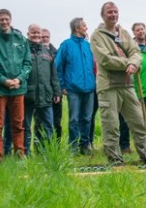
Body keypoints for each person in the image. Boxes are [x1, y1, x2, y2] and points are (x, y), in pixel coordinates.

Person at [90, 1, 146, 165]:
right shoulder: (97, 36)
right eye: (109, 12)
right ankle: (115, 160)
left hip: (127, 85)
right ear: (103, 15)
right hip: (108, 86)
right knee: (111, 125)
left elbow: (136, 52)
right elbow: (104, 59)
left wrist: (134, 63)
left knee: (139, 122)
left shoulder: (123, 33)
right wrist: (128, 63)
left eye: (115, 12)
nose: (113, 15)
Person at [0, 9, 32, 161]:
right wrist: (4, 80)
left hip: (18, 89)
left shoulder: (21, 39)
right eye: (1, 19)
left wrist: (19, 79)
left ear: (10, 20)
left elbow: (27, 63)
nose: (4, 22)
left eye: (6, 19)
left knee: (18, 124)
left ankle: (19, 153)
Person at [56, 17, 96, 155]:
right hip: (73, 89)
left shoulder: (88, 45)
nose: (86, 28)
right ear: (77, 28)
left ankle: (85, 145)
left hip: (89, 88)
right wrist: (62, 86)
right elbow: (57, 65)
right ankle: (73, 146)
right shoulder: (66, 45)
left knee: (87, 118)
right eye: (84, 26)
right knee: (74, 119)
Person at [25, 24, 61, 153]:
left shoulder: (47, 52)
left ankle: (49, 153)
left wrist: (57, 91)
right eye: (33, 33)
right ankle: (26, 153)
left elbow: (54, 74)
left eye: (38, 33)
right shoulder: (23, 50)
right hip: (28, 95)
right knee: (26, 126)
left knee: (48, 126)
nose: (36, 35)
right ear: (28, 34)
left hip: (46, 94)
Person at [41, 28, 63, 141]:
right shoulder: (37, 53)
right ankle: (41, 146)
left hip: (56, 91)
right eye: (42, 36)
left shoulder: (56, 52)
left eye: (46, 37)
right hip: (42, 92)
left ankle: (57, 146)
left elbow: (59, 73)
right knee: (41, 122)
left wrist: (59, 91)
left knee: (57, 120)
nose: (44, 39)